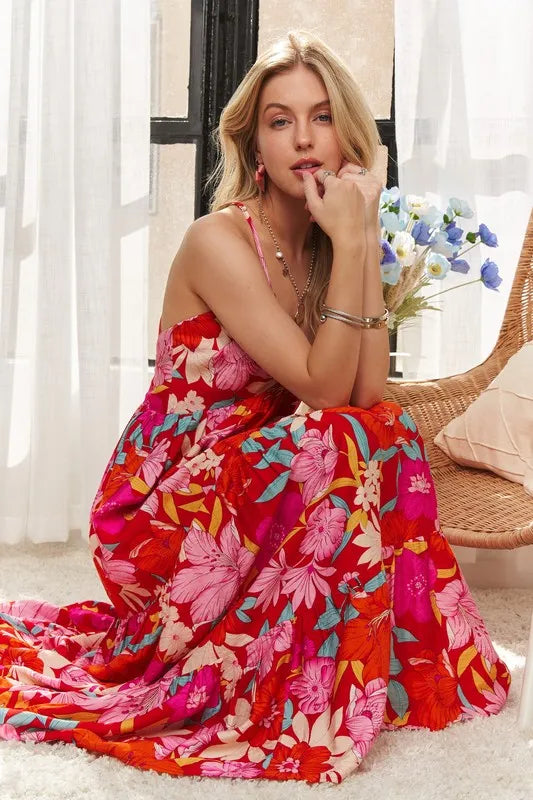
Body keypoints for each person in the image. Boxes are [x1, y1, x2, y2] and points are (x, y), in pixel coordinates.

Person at [0, 30, 510, 785]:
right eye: (280, 120)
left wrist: (362, 236)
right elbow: (323, 391)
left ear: (348, 137)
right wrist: (355, 245)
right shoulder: (218, 241)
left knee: (387, 428)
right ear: (255, 145)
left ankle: (382, 663)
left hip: (255, 481)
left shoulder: (329, 245)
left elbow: (367, 396)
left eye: (321, 117)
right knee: (336, 438)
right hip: (163, 506)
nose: (303, 139)